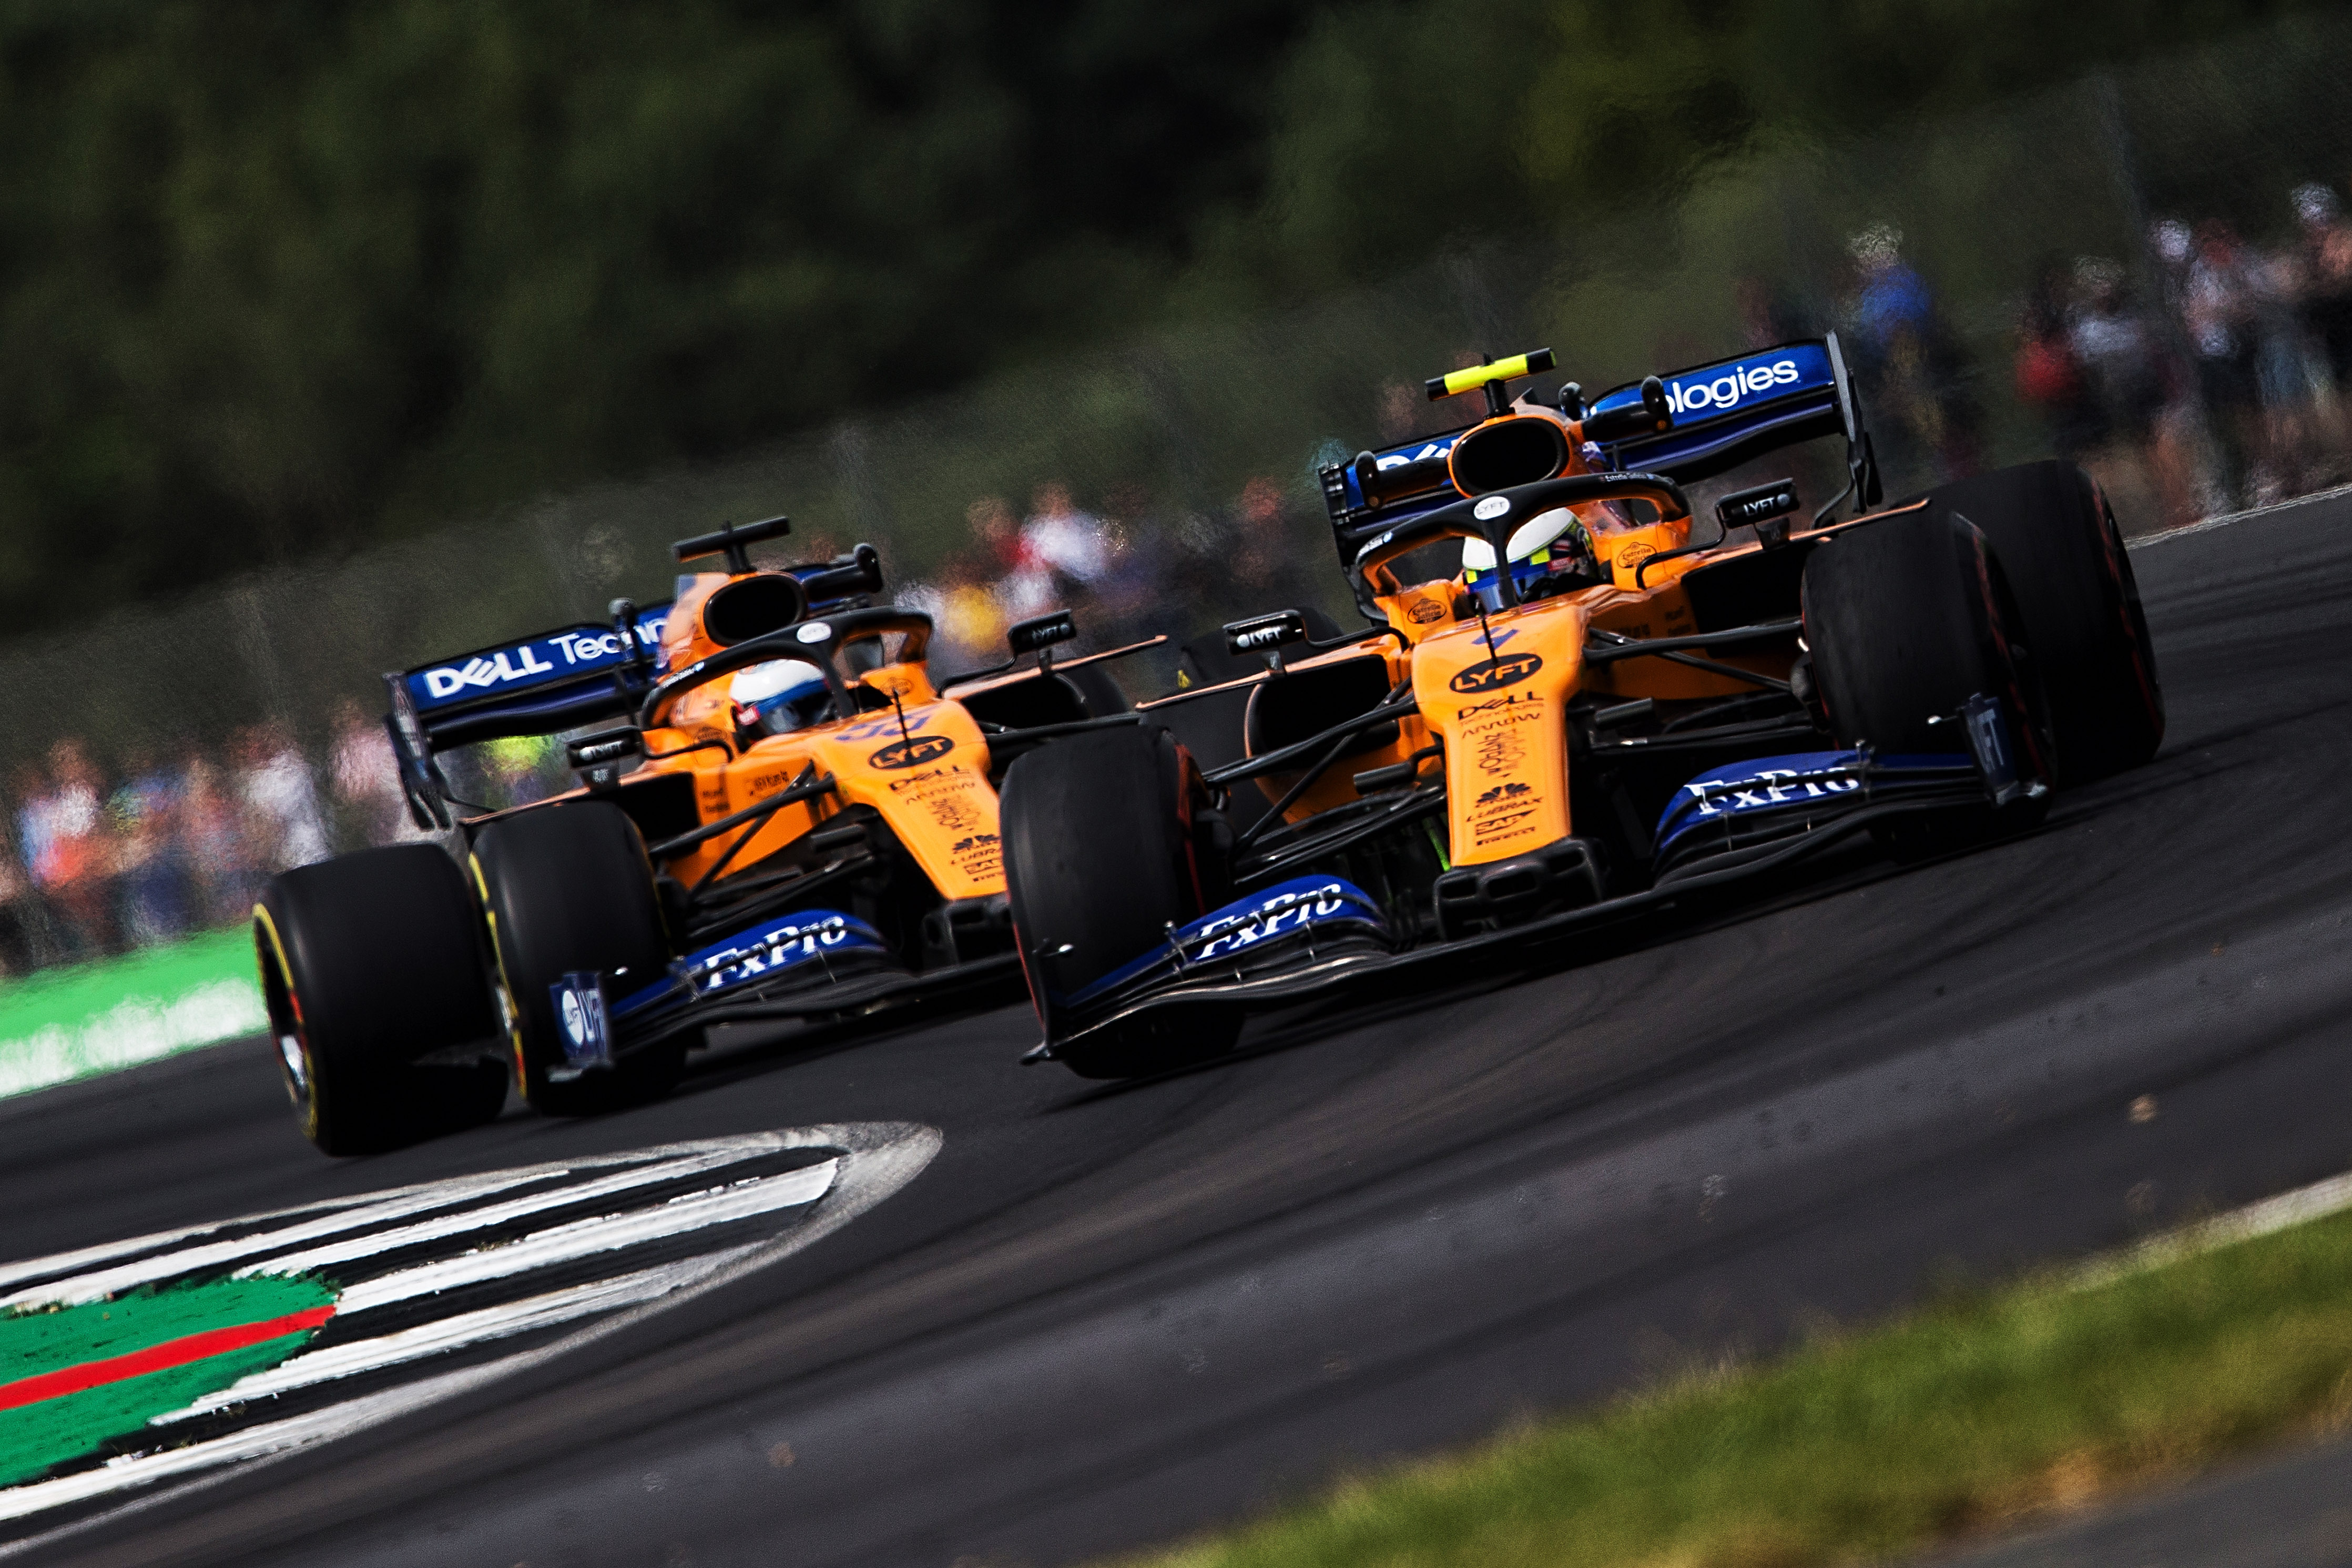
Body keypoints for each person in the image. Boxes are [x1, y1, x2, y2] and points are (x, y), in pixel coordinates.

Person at [108, 746, 190, 947]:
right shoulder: (123, 796)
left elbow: (168, 819)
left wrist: (151, 828)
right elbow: (120, 830)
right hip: (139, 864)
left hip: (166, 858)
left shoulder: (163, 784)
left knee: (178, 917)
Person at [237, 723, 331, 873]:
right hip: (282, 856)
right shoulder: (253, 780)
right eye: (249, 746)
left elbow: (277, 814)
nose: (253, 749)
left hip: (309, 845)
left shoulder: (292, 767)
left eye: (257, 743)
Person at [329, 696, 421, 847]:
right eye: (343, 717)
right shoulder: (344, 751)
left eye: (354, 715)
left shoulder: (385, 736)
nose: (350, 720)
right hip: (381, 821)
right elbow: (348, 796)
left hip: (407, 808)